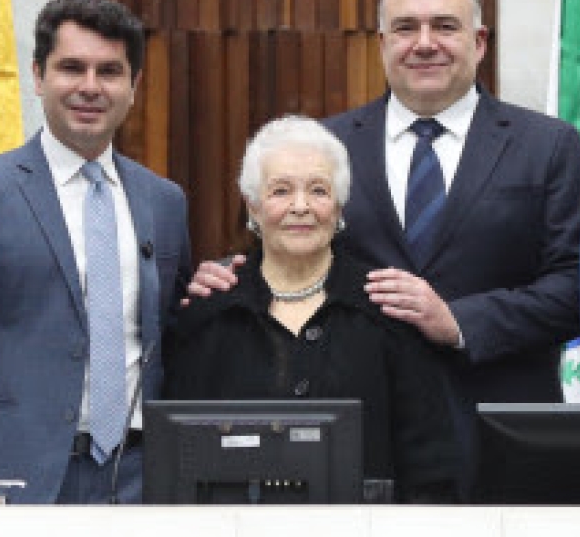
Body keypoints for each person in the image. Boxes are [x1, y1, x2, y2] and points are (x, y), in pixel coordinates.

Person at [193, 0, 580, 500]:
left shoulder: (548, 146)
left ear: (479, 41)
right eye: (406, 28)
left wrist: (459, 322)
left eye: (445, 26)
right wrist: (223, 277)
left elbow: (577, 288)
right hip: (366, 447)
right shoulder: (327, 146)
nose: (424, 43)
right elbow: (288, 248)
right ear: (382, 44)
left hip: (500, 435)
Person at [0, 0, 190, 504]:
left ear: (134, 86)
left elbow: (172, 341)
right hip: (13, 481)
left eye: (109, 71)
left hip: (137, 481)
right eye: (71, 68)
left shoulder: (164, 203)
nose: (89, 87)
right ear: (38, 76)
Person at [166, 116, 459, 502]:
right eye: (281, 191)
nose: (300, 207)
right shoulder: (209, 314)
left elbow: (430, 465)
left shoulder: (387, 309)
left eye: (318, 191)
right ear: (253, 207)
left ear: (338, 208)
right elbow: (177, 459)